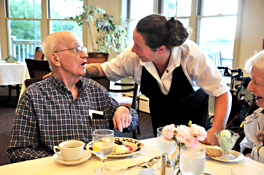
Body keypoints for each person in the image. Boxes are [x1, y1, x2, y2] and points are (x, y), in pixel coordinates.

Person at [45, 14, 232, 145]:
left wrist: (216, 129)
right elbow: (104, 69)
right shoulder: (133, 57)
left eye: (138, 46)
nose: (133, 49)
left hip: (193, 115)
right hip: (160, 116)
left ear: (159, 49)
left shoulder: (191, 55)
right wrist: (72, 72)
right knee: (164, 156)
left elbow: (222, 92)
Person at [7, 31, 138, 162]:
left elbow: (132, 123)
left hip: (96, 167)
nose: (85, 55)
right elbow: (18, 151)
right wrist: (61, 159)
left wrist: (124, 111)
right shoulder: (33, 96)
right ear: (55, 59)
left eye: (83, 49)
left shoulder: (95, 90)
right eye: (76, 49)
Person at [240, 50, 264, 163]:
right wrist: (249, 159)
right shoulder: (257, 115)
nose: (249, 88)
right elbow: (248, 145)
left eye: (256, 82)